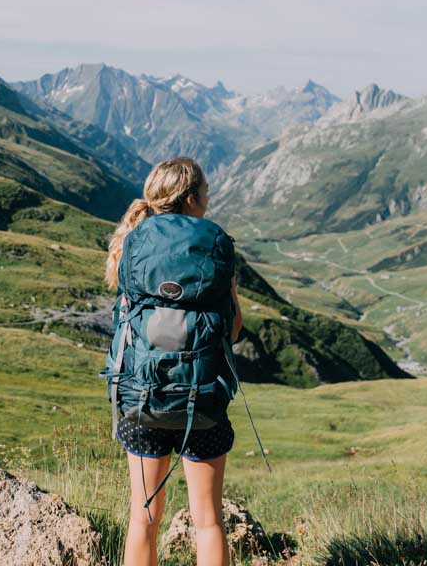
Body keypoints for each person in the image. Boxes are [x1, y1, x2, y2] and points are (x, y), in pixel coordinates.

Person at [104, 157, 244, 566]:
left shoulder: (133, 240)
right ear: (189, 199)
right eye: (205, 195)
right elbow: (232, 329)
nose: (207, 202)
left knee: (143, 518)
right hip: (202, 396)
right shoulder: (215, 243)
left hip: (142, 398)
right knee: (208, 522)